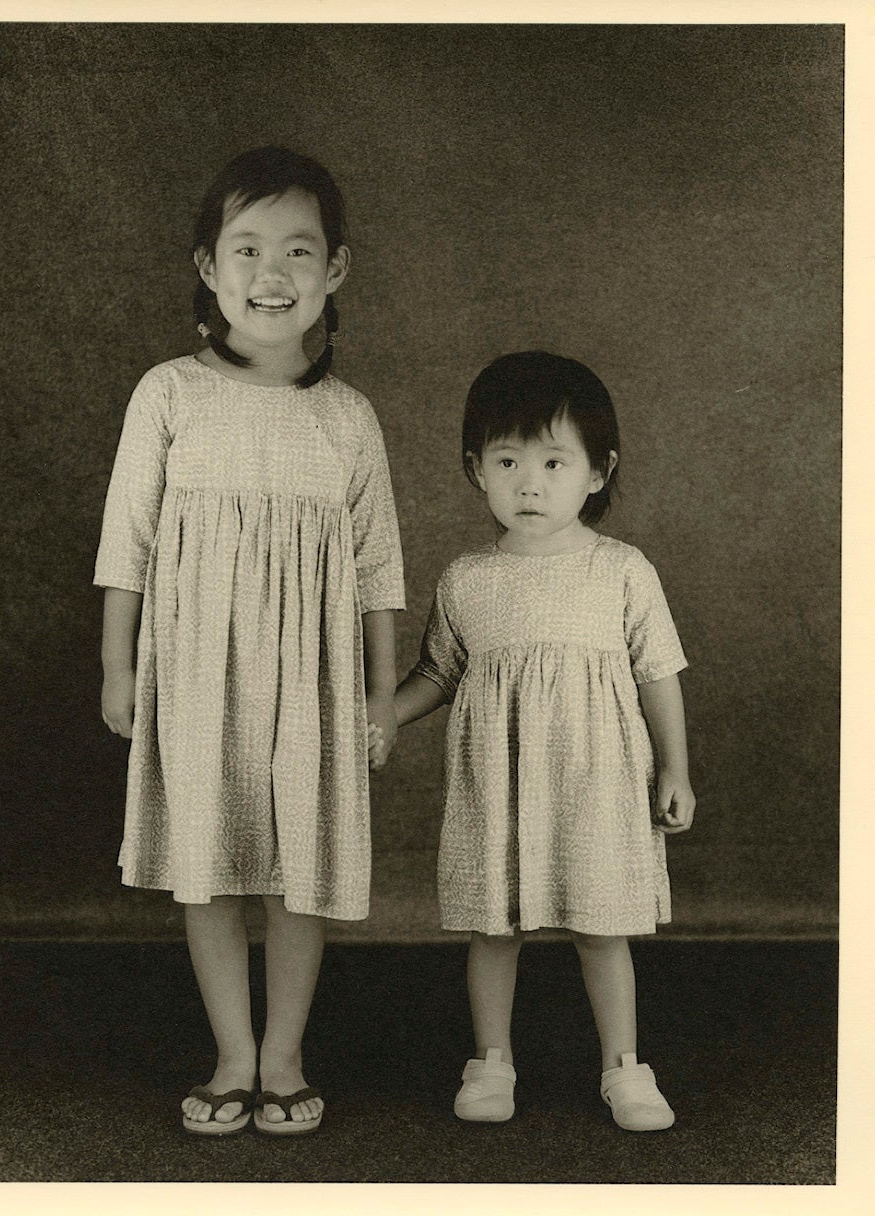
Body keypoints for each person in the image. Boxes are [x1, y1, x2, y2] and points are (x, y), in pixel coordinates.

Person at [96, 146, 403, 1136]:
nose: (272, 274)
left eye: (297, 251)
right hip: (195, 668)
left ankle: (284, 1055)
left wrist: (380, 693)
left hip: (312, 678)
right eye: (247, 249)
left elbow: (377, 568)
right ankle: (232, 1053)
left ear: (335, 270)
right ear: (208, 266)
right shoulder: (168, 394)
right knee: (210, 857)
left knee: (297, 862)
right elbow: (127, 542)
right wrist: (117, 664)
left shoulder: (348, 418)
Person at [369, 351, 694, 1131]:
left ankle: (624, 1067)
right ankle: (491, 1062)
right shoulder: (465, 578)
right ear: (474, 470)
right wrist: (382, 714)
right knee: (493, 927)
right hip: (498, 783)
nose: (529, 484)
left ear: (596, 471)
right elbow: (437, 673)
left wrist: (675, 768)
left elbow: (658, 672)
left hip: (597, 782)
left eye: (553, 462)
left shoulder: (621, 571)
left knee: (601, 929)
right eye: (507, 462)